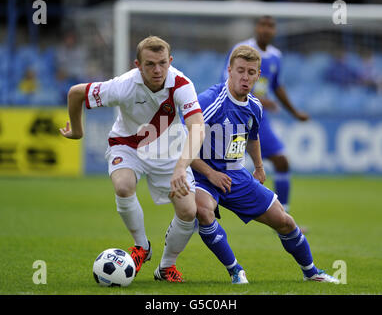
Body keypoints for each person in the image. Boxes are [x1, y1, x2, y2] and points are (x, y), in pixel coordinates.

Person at [60, 36, 205, 282]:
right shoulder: (123, 85)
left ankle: (166, 266)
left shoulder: (181, 84)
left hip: (168, 152)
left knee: (189, 211)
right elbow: (75, 93)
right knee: (123, 186)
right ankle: (141, 247)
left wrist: (181, 166)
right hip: (127, 145)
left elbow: (198, 127)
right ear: (137, 65)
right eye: (150, 64)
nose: (157, 70)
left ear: (170, 61)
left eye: (162, 63)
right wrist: (77, 130)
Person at [192, 44, 339, 284]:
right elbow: (183, 147)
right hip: (201, 174)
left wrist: (259, 167)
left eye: (251, 72)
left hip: (235, 174)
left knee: (284, 220)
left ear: (258, 76)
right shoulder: (209, 101)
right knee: (203, 210)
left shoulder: (255, 106)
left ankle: (311, 272)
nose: (245, 77)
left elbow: (253, 136)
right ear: (229, 70)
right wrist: (210, 173)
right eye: (240, 70)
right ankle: (236, 271)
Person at [222, 15, 309, 216]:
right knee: (223, 166)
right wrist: (257, 98)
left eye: (271, 26)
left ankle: (284, 215)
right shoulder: (241, 50)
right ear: (256, 27)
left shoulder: (276, 56)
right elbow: (228, 81)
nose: (266, 30)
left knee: (281, 161)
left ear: (274, 31)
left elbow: (276, 86)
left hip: (257, 118)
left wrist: (295, 113)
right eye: (263, 25)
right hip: (235, 116)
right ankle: (199, 214)